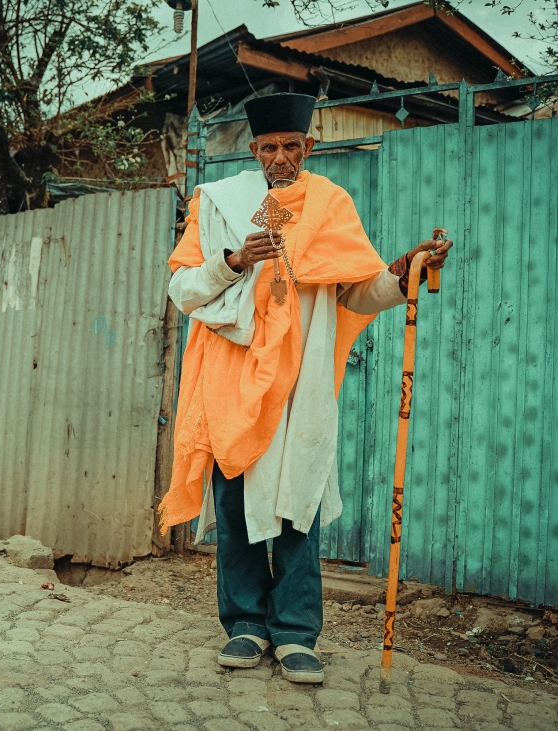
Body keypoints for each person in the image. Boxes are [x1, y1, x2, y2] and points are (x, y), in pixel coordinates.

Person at [159, 92, 452, 683]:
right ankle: (244, 625)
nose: (280, 157)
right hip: (232, 378)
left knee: (300, 502)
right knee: (236, 504)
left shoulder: (330, 203)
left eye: (291, 146)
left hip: (302, 380)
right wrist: (235, 260)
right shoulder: (217, 202)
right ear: (254, 149)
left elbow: (355, 291)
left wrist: (400, 273)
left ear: (308, 147)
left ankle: (295, 633)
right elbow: (183, 291)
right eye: (269, 147)